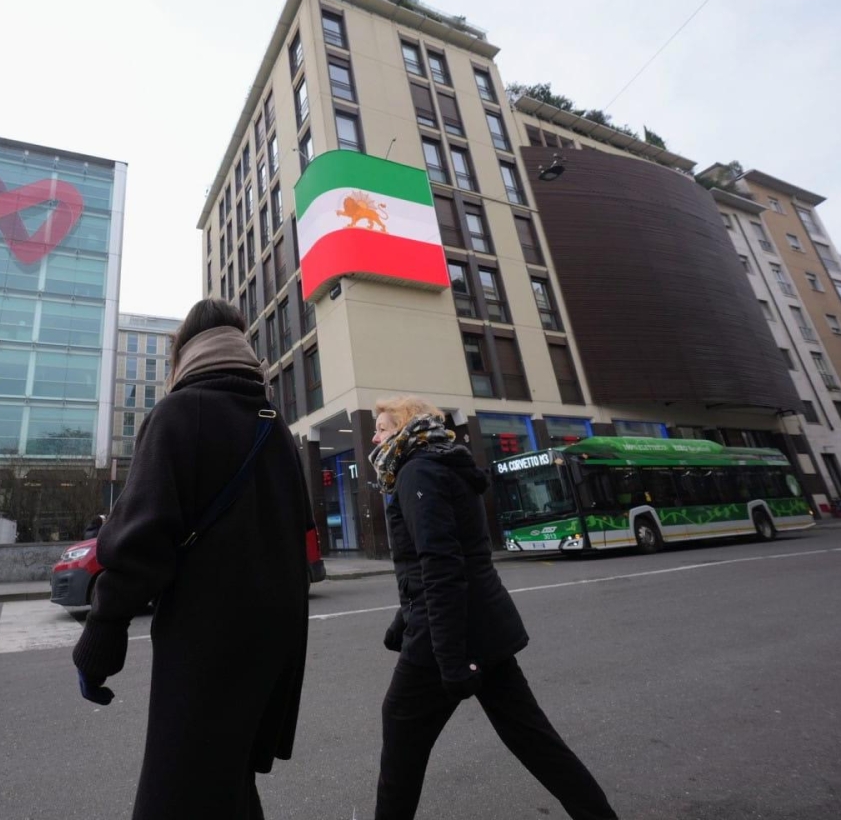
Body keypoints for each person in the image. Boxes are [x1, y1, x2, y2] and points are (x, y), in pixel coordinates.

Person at [72, 298, 311, 820]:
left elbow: (141, 536)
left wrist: (103, 630)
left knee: (176, 792)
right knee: (226, 780)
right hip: (278, 636)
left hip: (208, 637)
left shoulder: (178, 413)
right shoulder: (276, 426)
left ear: (184, 353)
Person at [369, 395, 617, 820]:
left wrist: (448, 658)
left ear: (405, 429)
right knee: (533, 738)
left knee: (401, 730)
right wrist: (402, 618)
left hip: (447, 633)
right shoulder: (442, 466)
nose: (374, 436)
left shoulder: (417, 472)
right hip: (484, 629)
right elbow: (450, 557)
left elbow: (442, 565)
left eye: (382, 427)